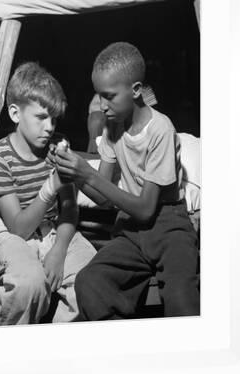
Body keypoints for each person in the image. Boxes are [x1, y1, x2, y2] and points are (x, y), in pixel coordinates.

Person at [52, 42, 200, 320]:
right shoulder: (113, 126)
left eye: (109, 97)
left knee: (182, 298)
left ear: (135, 90)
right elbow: (103, 198)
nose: (102, 106)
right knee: (90, 281)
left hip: (168, 225)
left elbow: (146, 207)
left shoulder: (160, 130)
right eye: (98, 97)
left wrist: (89, 173)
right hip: (130, 229)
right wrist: (73, 175)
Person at [0, 62, 96, 325]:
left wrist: (58, 249)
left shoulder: (57, 147)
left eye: (54, 119)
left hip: (55, 228)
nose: (49, 127)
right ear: (15, 113)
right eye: (41, 117)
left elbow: (69, 208)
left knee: (92, 279)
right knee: (28, 285)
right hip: (10, 233)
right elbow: (18, 229)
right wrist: (50, 185)